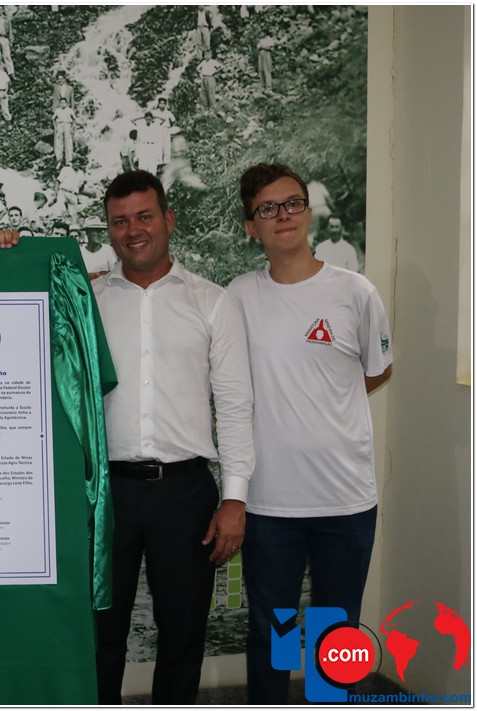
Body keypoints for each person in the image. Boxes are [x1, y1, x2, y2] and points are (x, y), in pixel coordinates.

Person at [0, 170, 253, 705]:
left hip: (186, 493)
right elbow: (11, 316)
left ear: (168, 219)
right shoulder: (84, 301)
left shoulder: (212, 302)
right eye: (119, 221)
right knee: (99, 633)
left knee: (183, 633)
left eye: (144, 216)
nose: (133, 230)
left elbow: (234, 406)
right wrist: (5, 254)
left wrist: (235, 498)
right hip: (104, 495)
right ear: (108, 230)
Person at [229, 163, 392, 705]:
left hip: (345, 498)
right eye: (268, 208)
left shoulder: (355, 291)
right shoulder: (238, 296)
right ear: (251, 225)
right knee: (272, 628)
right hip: (269, 502)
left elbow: (378, 370)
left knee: (335, 631)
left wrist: (323, 406)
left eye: (293, 202)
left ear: (309, 210)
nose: (284, 215)